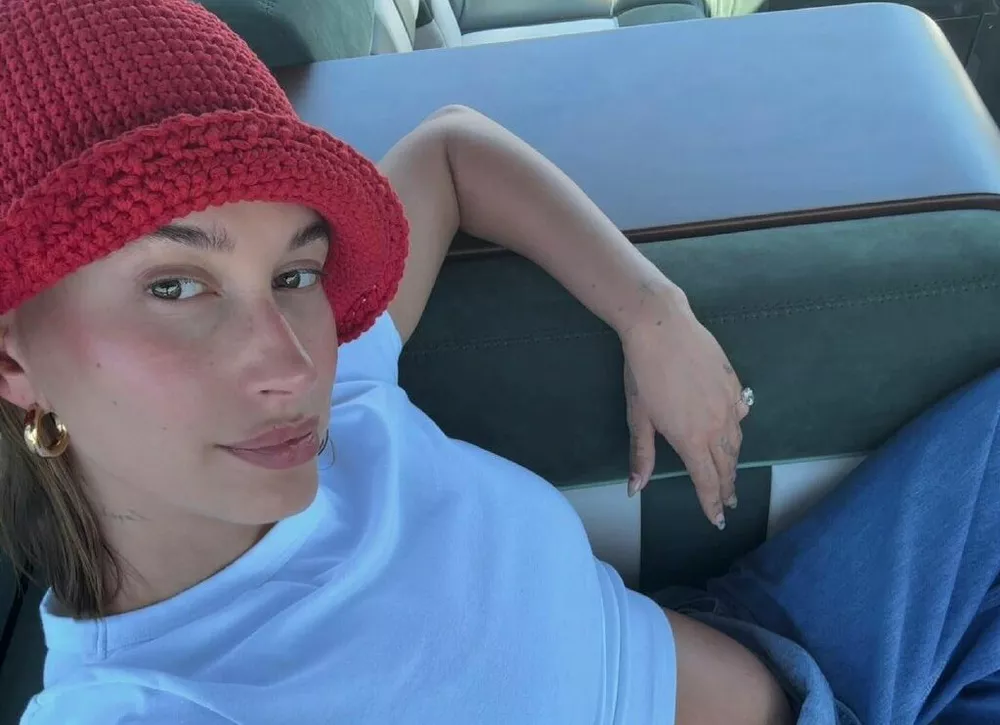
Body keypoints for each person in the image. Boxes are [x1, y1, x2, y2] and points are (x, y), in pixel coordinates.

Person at [0, 1, 995, 724]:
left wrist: (652, 313)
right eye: (177, 286)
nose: (291, 362)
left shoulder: (341, 386)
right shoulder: (142, 702)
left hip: (801, 635)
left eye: (295, 271)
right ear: (14, 356)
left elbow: (450, 149)